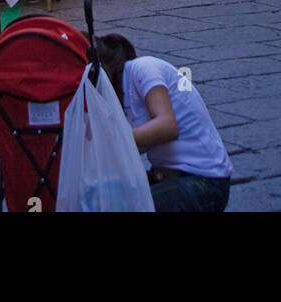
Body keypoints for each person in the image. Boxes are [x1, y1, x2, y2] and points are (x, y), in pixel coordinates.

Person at [96, 33, 231, 213]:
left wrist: (112, 139)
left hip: (204, 181)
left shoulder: (144, 68)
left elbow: (167, 126)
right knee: (97, 197)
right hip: (165, 176)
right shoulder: (117, 97)